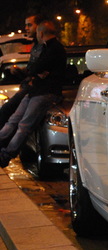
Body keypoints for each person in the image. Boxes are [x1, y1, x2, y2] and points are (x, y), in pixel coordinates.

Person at [0, 20, 66, 168]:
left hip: (45, 92)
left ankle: (7, 154)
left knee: (23, 124)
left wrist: (35, 72)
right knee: (15, 120)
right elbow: (36, 69)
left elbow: (36, 67)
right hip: (36, 91)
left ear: (41, 33)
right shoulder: (50, 48)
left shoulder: (52, 49)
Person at [0, 14, 44, 126]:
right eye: (26, 25)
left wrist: (24, 72)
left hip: (34, 89)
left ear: (39, 27)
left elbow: (38, 70)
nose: (26, 28)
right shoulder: (36, 45)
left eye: (29, 25)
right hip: (30, 87)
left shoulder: (44, 47)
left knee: (7, 112)